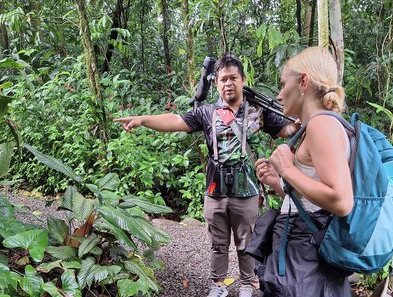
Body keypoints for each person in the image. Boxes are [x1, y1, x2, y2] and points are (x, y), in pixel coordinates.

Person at [114, 53, 297, 297]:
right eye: (223, 79)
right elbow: (175, 120)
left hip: (247, 190)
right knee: (217, 242)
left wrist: (299, 121)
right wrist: (142, 119)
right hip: (215, 188)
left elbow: (285, 129)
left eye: (233, 78)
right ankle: (218, 285)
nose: (228, 83)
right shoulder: (207, 112)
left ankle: (246, 284)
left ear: (243, 80)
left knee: (246, 242)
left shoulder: (258, 111)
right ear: (217, 83)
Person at [254, 46, 354, 296]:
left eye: (282, 83)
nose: (278, 95)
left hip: (306, 254)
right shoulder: (316, 126)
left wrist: (287, 169)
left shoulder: (322, 124)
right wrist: (279, 183)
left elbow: (341, 201)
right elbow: (314, 202)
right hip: (304, 252)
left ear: (303, 82)